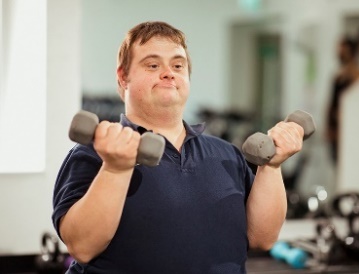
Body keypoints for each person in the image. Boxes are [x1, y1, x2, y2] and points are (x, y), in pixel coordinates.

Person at [52, 21, 304, 274]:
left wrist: (272, 166)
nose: (168, 73)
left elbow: (263, 238)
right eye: (153, 65)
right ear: (123, 77)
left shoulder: (226, 154)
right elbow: (82, 246)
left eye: (177, 65)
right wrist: (115, 169)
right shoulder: (94, 153)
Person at [326, 36, 359, 165]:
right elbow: (331, 103)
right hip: (336, 130)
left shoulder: (357, 75)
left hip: (348, 131)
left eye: (343, 50)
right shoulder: (338, 76)